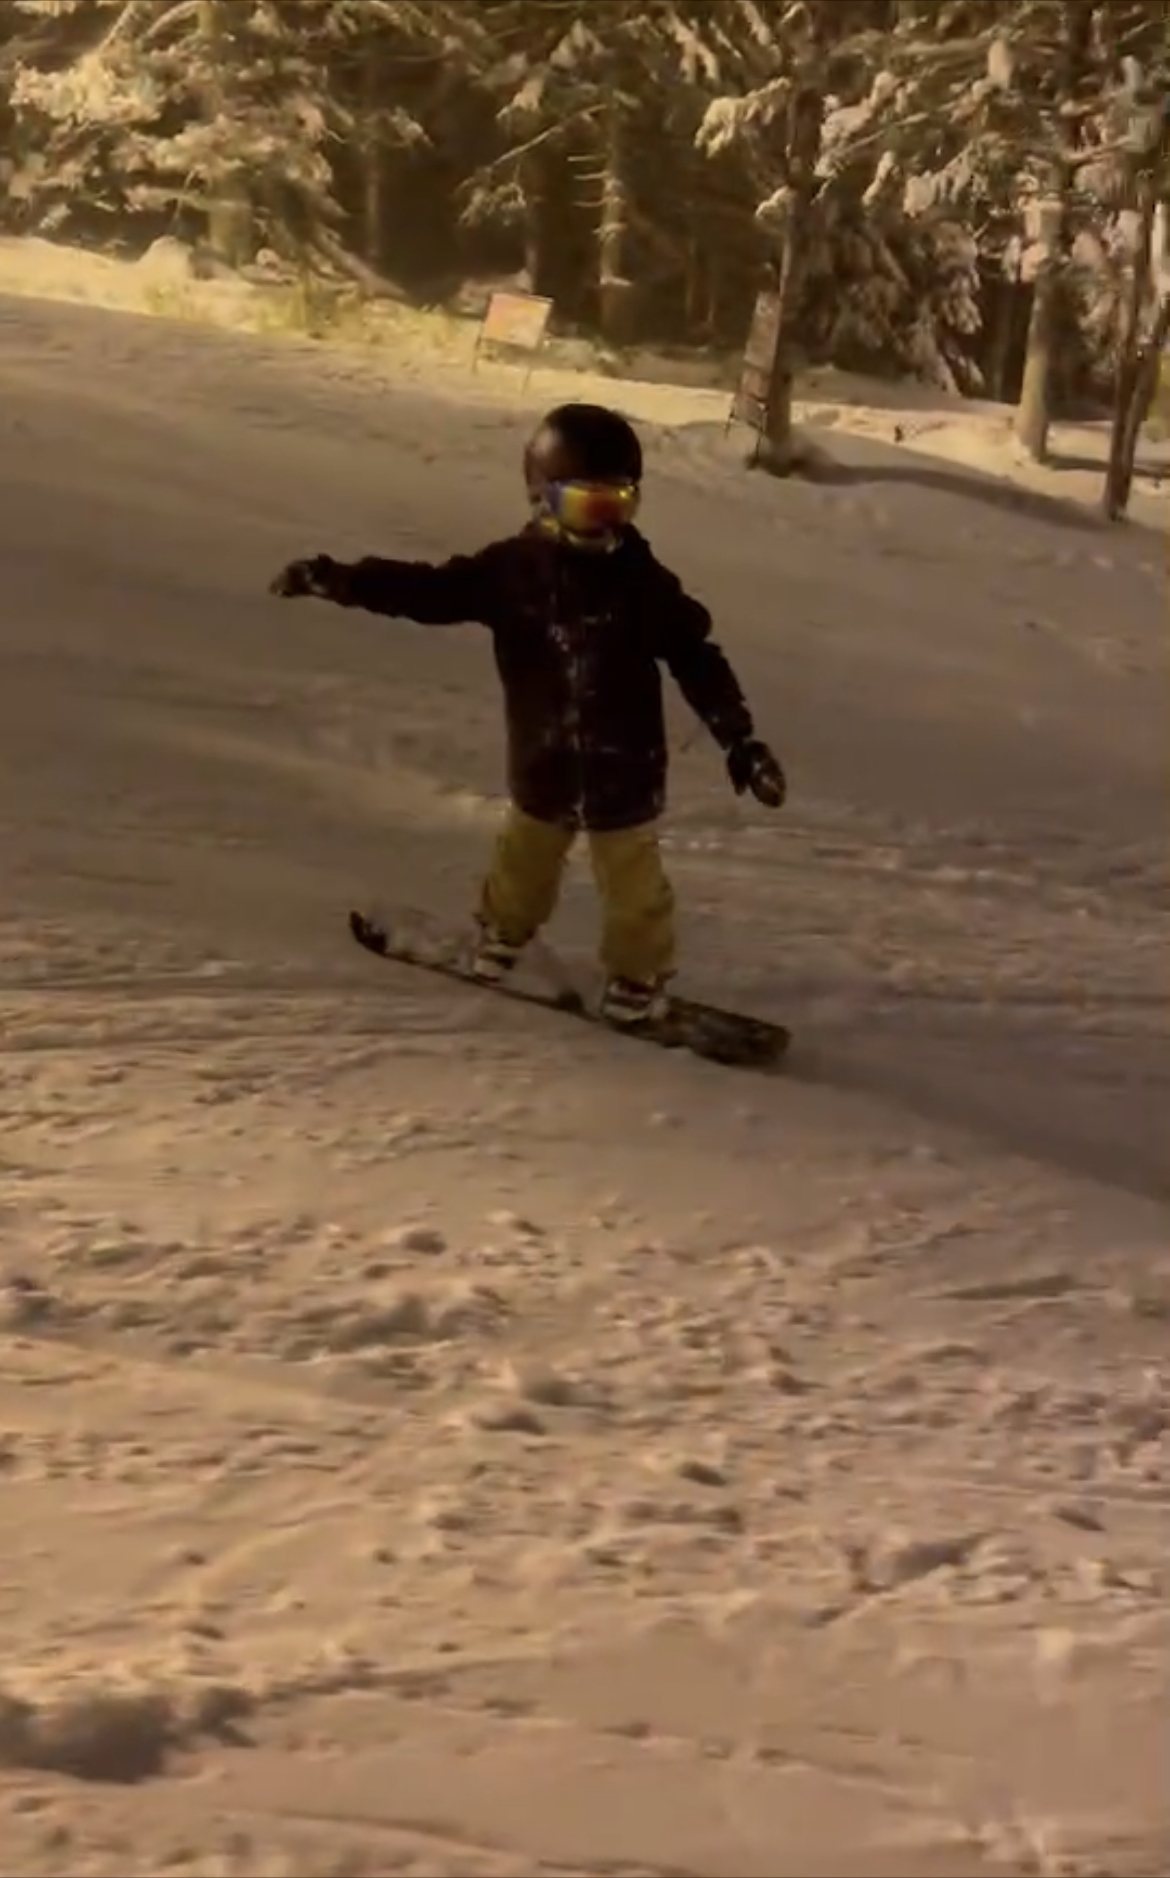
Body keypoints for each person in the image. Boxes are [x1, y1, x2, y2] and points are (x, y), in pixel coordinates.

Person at [269, 401, 786, 1025]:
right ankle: (503, 937)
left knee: (635, 890)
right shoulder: (512, 572)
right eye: (587, 506)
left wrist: (739, 739)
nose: (604, 525)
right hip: (545, 762)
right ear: (543, 498)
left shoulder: (642, 583)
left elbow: (696, 657)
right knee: (523, 865)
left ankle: (637, 978)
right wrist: (339, 580)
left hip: (625, 771)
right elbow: (427, 592)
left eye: (619, 505)